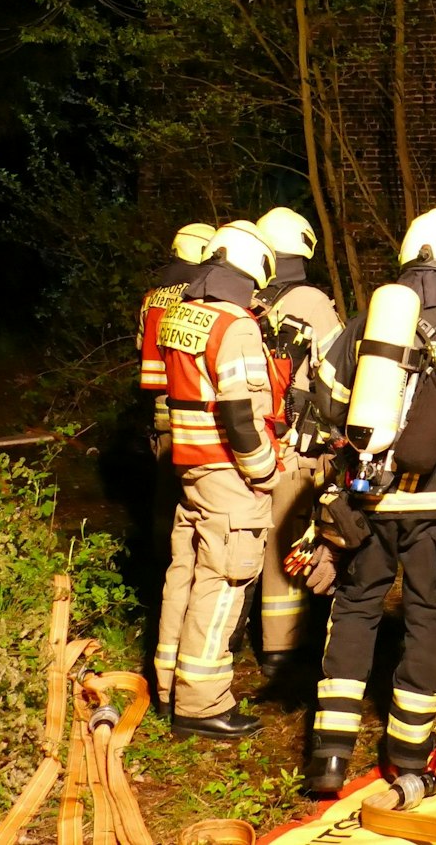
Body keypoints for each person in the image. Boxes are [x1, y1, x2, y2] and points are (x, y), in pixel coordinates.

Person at [304, 209, 436, 792]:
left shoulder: (369, 321)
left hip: (366, 502)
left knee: (355, 610)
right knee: (425, 618)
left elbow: (327, 398)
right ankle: (411, 754)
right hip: (434, 504)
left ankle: (330, 755)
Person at [152, 220, 282, 740]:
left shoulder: (182, 315)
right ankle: (203, 703)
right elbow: (240, 416)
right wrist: (265, 472)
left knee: (184, 574)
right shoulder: (236, 325)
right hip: (228, 470)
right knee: (225, 581)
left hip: (189, 465)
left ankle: (169, 688)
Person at [251, 206, 344, 676]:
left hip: (249, 439)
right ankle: (284, 647)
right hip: (297, 443)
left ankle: (240, 635)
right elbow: (335, 372)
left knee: (252, 536)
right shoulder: (311, 300)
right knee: (289, 536)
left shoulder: (243, 295)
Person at [138, 222, 215, 570]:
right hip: (195, 412)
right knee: (196, 498)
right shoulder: (200, 299)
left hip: (160, 412)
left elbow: (142, 346)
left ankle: (157, 568)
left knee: (162, 496)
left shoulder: (152, 297)